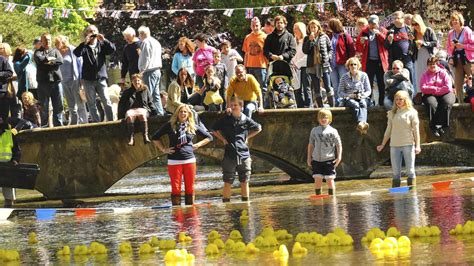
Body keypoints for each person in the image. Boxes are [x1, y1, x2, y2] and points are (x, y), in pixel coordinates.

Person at [152, 104, 213, 206]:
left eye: (185, 112)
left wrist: (198, 145)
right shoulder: (170, 125)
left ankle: (190, 214)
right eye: (181, 111)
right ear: (177, 113)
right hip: (174, 160)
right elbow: (155, 137)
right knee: (176, 188)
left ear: (189, 114)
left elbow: (209, 137)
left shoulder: (192, 126)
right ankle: (177, 215)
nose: (183, 113)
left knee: (190, 187)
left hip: (189, 160)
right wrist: (163, 149)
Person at [212, 96, 262, 202]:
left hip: (244, 154)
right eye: (231, 105)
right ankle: (227, 206)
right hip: (230, 154)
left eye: (235, 105)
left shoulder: (246, 120)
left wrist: (247, 137)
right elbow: (213, 129)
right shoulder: (226, 119)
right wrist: (223, 139)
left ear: (241, 106)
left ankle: (245, 206)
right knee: (227, 181)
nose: (233, 107)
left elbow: (258, 128)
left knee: (245, 181)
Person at [377, 90, 421, 188]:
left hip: (408, 144)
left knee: (410, 171)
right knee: (396, 173)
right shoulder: (392, 113)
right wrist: (382, 144)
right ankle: (397, 197)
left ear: (405, 100)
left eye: (400, 99)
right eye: (396, 99)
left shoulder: (412, 113)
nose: (398, 101)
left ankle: (412, 195)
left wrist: (417, 146)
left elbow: (416, 130)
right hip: (394, 145)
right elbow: (388, 131)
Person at [74, 24, 116, 122]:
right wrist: (84, 43)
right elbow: (76, 53)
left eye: (94, 31)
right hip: (88, 79)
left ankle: (111, 121)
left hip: (101, 78)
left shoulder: (101, 44)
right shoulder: (85, 46)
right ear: (86, 34)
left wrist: (104, 40)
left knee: (106, 101)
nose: (93, 33)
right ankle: (96, 123)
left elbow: (112, 49)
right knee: (91, 103)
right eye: (90, 31)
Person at [307, 109, 342, 195]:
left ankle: (332, 198)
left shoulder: (333, 131)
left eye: (325, 117)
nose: (323, 119)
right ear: (318, 119)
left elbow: (339, 144)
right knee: (317, 180)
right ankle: (318, 198)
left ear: (329, 119)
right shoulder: (314, 130)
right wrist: (309, 158)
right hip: (316, 160)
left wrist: (339, 157)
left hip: (329, 159)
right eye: (321, 117)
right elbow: (311, 144)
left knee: (330, 180)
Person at [356, 15, 389, 106]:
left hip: (380, 62)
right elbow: (359, 49)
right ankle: (368, 102)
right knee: (368, 83)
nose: (372, 25)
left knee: (381, 83)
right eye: (370, 23)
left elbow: (387, 44)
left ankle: (381, 103)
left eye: (374, 23)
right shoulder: (364, 32)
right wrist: (362, 43)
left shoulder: (383, 30)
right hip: (369, 61)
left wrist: (379, 34)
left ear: (378, 23)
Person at [55, 35, 87, 125]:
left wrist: (81, 80)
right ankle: (73, 122)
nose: (56, 45)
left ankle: (83, 122)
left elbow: (80, 65)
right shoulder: (56, 52)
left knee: (79, 102)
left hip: (75, 80)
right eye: (56, 43)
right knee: (70, 104)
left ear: (63, 42)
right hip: (63, 81)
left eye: (58, 43)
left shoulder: (72, 50)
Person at [420, 56, 455, 137]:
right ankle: (434, 126)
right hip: (430, 95)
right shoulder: (424, 75)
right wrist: (436, 89)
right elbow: (423, 88)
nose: (432, 66)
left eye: (434, 64)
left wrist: (433, 89)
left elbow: (448, 87)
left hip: (445, 93)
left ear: (437, 64)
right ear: (427, 65)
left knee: (447, 102)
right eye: (430, 64)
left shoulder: (444, 73)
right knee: (431, 103)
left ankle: (444, 126)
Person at [34, 33, 64, 127]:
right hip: (43, 83)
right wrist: (49, 60)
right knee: (44, 106)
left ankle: (58, 124)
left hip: (56, 81)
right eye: (45, 40)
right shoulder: (37, 52)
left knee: (58, 105)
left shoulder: (55, 51)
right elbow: (40, 59)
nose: (48, 41)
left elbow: (60, 61)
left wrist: (48, 61)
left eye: (49, 40)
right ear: (42, 41)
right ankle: (44, 126)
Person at [118, 73, 156, 146]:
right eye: (135, 81)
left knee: (142, 114)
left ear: (141, 81)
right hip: (131, 110)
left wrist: (154, 112)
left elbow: (150, 101)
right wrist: (120, 116)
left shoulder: (145, 89)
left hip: (143, 109)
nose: (137, 82)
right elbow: (121, 104)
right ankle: (131, 138)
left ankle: (145, 136)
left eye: (138, 80)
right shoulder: (127, 92)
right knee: (129, 116)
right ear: (132, 82)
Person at [303, 19, 334, 108]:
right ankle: (320, 107)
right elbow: (305, 51)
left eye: (315, 27)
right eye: (311, 27)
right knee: (316, 88)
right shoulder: (307, 38)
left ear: (318, 27)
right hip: (312, 65)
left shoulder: (324, 36)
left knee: (328, 86)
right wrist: (310, 40)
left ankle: (333, 107)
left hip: (324, 64)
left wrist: (328, 57)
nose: (313, 29)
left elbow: (330, 49)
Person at [384, 11, 416, 94]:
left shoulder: (408, 29)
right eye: (394, 18)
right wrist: (389, 41)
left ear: (403, 19)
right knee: (394, 79)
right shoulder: (390, 31)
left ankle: (410, 99)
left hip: (407, 59)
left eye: (398, 18)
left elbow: (414, 45)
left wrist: (412, 41)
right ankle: (394, 98)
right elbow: (386, 46)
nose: (395, 20)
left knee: (409, 79)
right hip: (394, 60)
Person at [339, 57, 371, 134]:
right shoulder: (344, 77)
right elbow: (340, 92)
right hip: (349, 98)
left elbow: (369, 91)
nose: (353, 66)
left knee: (363, 103)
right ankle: (362, 124)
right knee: (355, 105)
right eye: (351, 64)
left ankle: (360, 124)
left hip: (362, 97)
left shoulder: (364, 75)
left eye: (355, 64)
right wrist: (350, 95)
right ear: (348, 66)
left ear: (358, 66)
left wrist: (362, 95)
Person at [446, 11, 473, 103]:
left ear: (460, 21)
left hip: (468, 60)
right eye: (453, 20)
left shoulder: (467, 31)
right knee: (458, 83)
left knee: (471, 80)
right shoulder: (450, 33)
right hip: (457, 60)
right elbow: (448, 48)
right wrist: (451, 54)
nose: (454, 22)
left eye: (456, 20)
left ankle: (472, 100)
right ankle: (461, 104)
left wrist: (463, 46)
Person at [328, 18, 356, 105]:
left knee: (343, 84)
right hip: (332, 64)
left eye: (330, 25)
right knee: (335, 86)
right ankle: (337, 103)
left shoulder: (345, 36)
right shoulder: (329, 36)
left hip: (342, 64)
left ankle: (345, 101)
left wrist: (348, 62)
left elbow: (352, 50)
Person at [138, 26, 164, 116]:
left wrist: (142, 70)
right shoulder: (156, 42)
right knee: (155, 95)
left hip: (149, 71)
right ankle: (160, 113)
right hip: (157, 70)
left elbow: (146, 57)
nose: (139, 37)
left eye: (139, 35)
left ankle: (150, 113)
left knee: (147, 94)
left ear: (142, 34)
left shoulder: (145, 42)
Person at [242, 17, 268, 100]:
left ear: (260, 25)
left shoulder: (265, 37)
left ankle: (263, 105)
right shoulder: (247, 37)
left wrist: (268, 65)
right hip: (250, 66)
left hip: (261, 66)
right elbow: (246, 53)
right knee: (251, 87)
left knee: (262, 87)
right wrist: (244, 67)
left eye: (257, 25)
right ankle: (253, 104)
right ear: (250, 26)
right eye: (253, 26)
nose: (255, 27)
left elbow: (268, 53)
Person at [412, 15, 438, 92]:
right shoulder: (414, 33)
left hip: (428, 56)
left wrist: (423, 43)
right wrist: (412, 42)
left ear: (420, 23)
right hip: (418, 57)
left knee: (430, 74)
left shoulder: (428, 30)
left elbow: (435, 43)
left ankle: (431, 92)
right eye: (413, 25)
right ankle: (420, 93)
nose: (415, 26)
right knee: (419, 76)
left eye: (416, 24)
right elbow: (411, 47)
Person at [0, 116, 21, 207]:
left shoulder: (10, 134)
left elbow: (17, 150)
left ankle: (8, 210)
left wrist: (15, 160)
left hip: (7, 168)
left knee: (9, 197)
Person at [292, 22, 310, 108]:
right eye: (294, 28)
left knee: (306, 87)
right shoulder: (294, 41)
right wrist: (293, 64)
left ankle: (308, 106)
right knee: (296, 88)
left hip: (305, 66)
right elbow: (293, 54)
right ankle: (300, 106)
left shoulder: (306, 40)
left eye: (297, 28)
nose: (295, 30)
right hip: (295, 67)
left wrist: (298, 64)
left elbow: (307, 55)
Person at [0, 54, 20, 122]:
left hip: (1, 92)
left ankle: (5, 131)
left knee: (3, 116)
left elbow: (9, 72)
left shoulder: (2, 59)